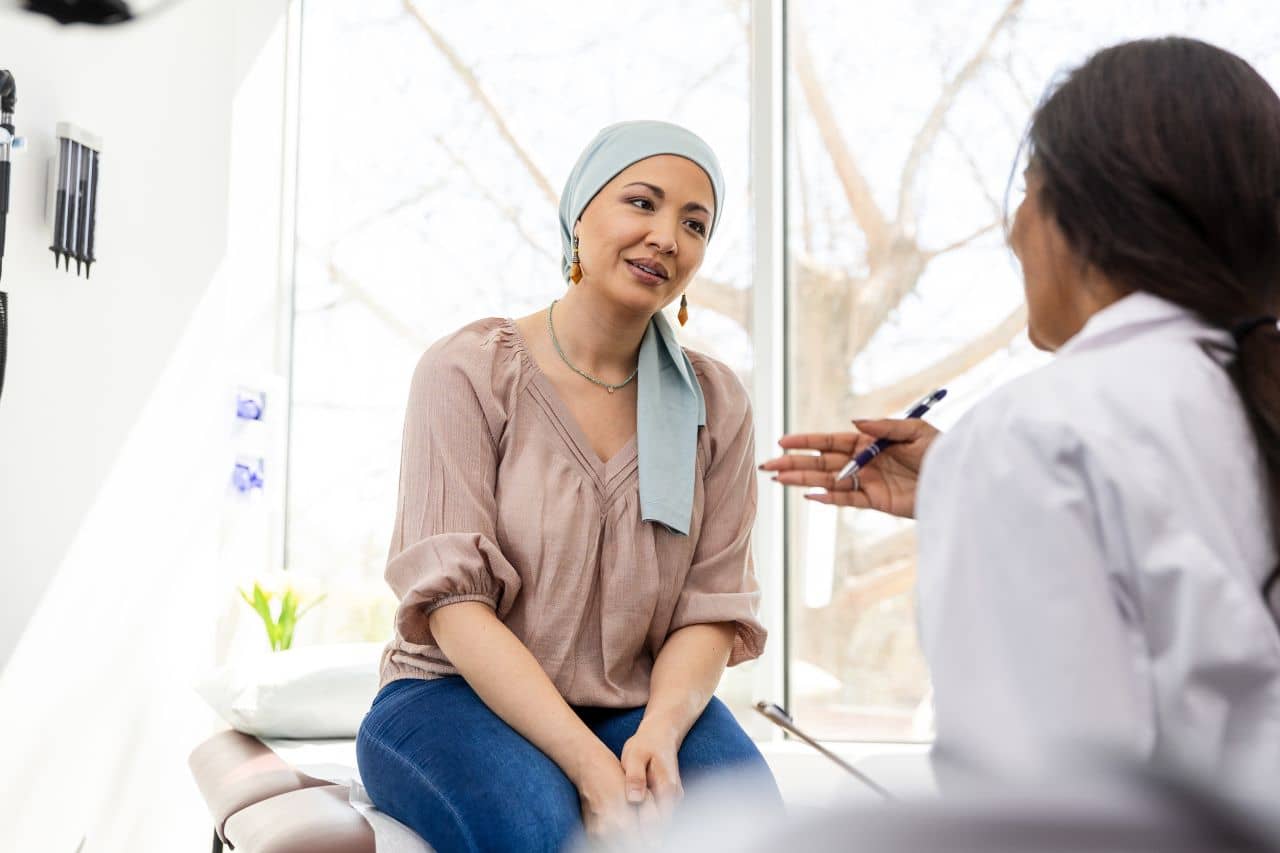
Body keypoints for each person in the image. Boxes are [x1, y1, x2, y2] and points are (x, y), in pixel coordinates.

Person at [761, 37, 1280, 797]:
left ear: (1088, 215)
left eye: (1029, 192)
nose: (1012, 231)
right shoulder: (1227, 398)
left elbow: (1034, 810)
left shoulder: (1032, 432)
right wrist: (961, 478)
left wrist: (994, 472)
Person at [357, 120, 781, 853]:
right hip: (448, 696)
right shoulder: (469, 370)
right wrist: (592, 768)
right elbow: (455, 606)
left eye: (694, 223)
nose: (666, 238)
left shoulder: (719, 403)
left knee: (752, 828)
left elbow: (710, 606)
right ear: (580, 213)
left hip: (634, 702)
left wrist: (660, 730)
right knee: (549, 831)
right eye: (641, 203)